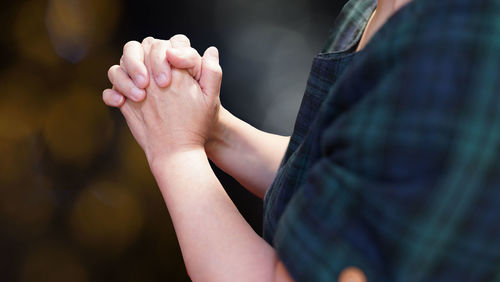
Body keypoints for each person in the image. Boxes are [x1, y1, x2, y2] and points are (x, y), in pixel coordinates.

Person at [103, 0, 500, 280]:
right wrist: (213, 130)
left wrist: (176, 152)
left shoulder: (455, 42)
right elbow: (350, 172)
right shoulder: (385, 8)